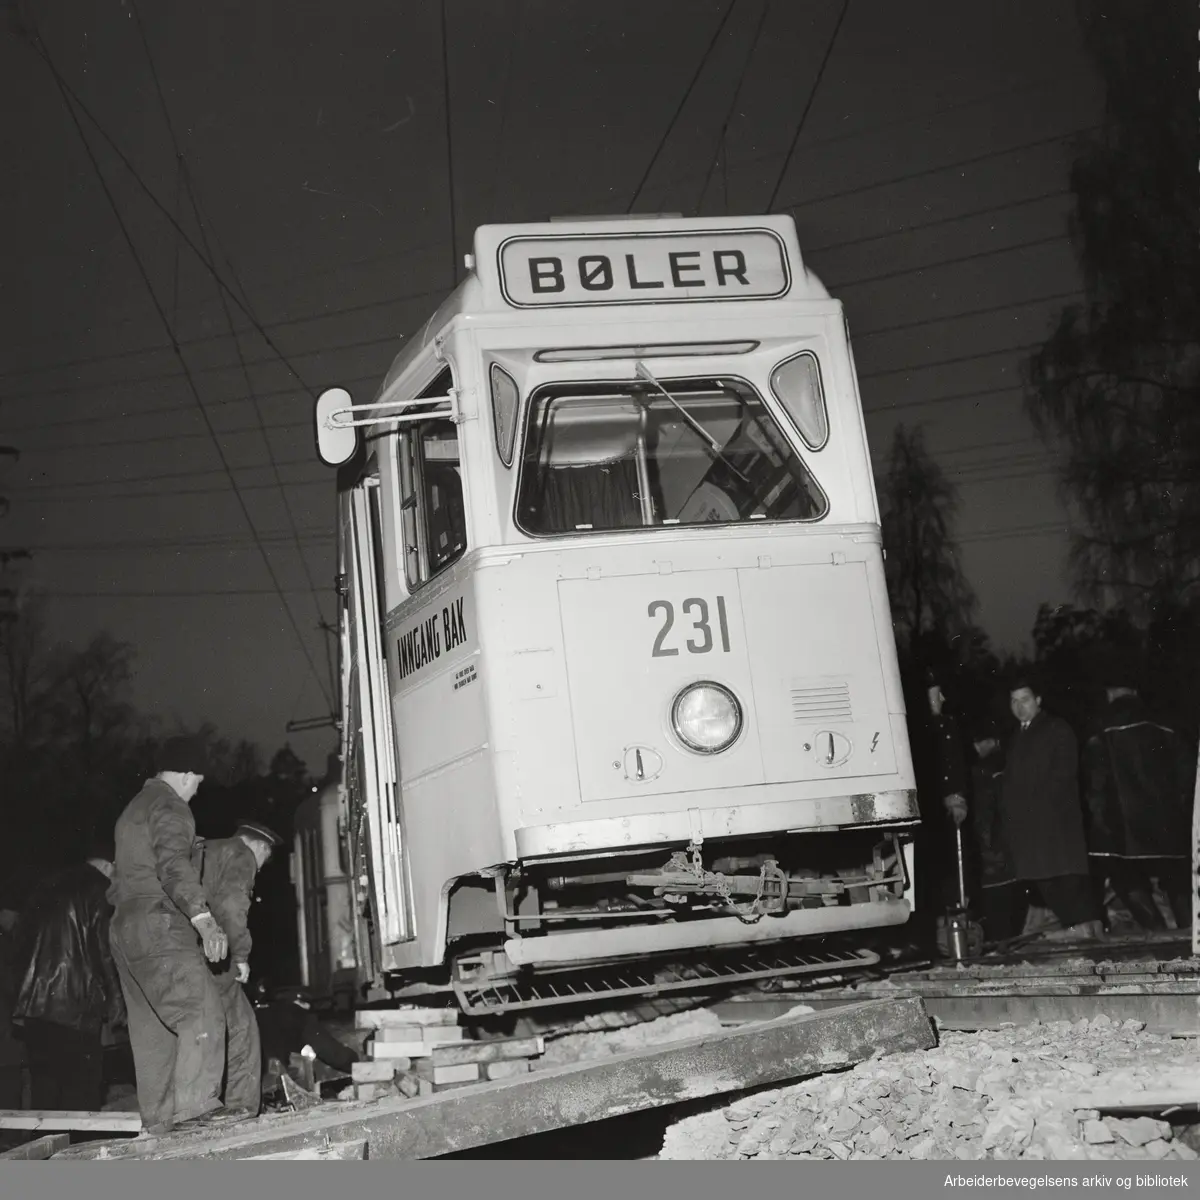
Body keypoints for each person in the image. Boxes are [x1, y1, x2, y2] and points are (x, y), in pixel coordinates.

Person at [108, 735, 230, 1135]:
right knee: (201, 1008)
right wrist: (203, 917)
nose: (197, 789)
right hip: (157, 922)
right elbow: (174, 864)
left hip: (125, 928)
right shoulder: (170, 806)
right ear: (185, 774)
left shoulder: (132, 810)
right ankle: (195, 1117)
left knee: (152, 1032)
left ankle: (158, 1128)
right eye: (197, 780)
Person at [12, 839, 126, 1113]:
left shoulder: (47, 885)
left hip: (34, 1008)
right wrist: (117, 1001)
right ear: (111, 866)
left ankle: (43, 1153)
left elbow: (18, 941)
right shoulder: (100, 889)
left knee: (44, 1095)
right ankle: (79, 1154)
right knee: (81, 1092)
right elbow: (104, 951)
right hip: (76, 1008)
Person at [1083, 675, 1195, 931]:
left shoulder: (1101, 727)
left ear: (1110, 694)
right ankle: (1190, 933)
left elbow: (1095, 782)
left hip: (1122, 827)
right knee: (1177, 879)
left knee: (1125, 878)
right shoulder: (1167, 723)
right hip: (1169, 825)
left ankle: (1157, 931)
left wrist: (1099, 824)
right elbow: (1188, 774)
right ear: (1135, 692)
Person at [191, 820, 283, 1116]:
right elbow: (232, 906)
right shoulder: (241, 854)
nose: (261, 867)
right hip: (212, 954)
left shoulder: (209, 850)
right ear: (260, 846)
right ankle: (238, 1111)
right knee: (241, 1027)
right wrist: (240, 955)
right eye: (265, 859)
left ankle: (204, 1106)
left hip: (182, 950)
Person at [999, 676, 1102, 940]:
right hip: (1029, 826)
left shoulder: (1056, 728)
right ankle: (1082, 928)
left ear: (1038, 701)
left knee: (1064, 876)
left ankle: (1087, 928)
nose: (1019, 706)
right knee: (1044, 877)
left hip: (1054, 821)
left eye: (1025, 699)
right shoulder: (1016, 736)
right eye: (1014, 701)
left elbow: (1064, 774)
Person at [967, 716, 1024, 942]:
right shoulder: (1010, 762)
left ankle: (1001, 938)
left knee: (995, 891)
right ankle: (1011, 936)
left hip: (994, 842)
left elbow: (985, 809)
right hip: (1014, 840)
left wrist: (984, 840)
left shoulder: (983, 769)